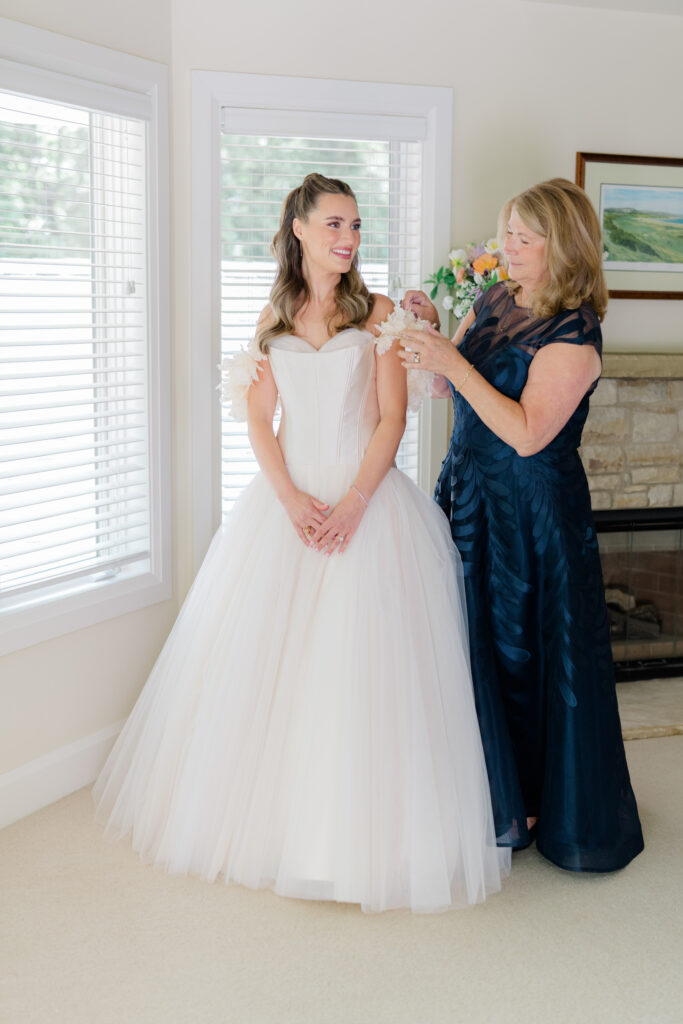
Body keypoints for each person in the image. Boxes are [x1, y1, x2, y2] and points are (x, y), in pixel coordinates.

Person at [93, 173, 509, 913]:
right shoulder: (274, 316)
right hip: (288, 507)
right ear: (298, 229)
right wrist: (289, 501)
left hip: (368, 505)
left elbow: (390, 420)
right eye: (333, 225)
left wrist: (352, 503)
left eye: (354, 226)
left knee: (361, 672)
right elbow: (259, 420)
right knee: (269, 672)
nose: (347, 239)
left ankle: (362, 841)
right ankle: (281, 834)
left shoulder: (377, 313)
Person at [398, 178, 644, 873]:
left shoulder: (575, 337)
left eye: (521, 238)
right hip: (469, 490)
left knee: (522, 652)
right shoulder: (494, 298)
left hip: (530, 512)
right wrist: (429, 340)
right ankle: (489, 789)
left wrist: (451, 361)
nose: (505, 247)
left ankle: (536, 803)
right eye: (505, 232)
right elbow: (444, 390)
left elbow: (529, 432)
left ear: (560, 245)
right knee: (468, 640)